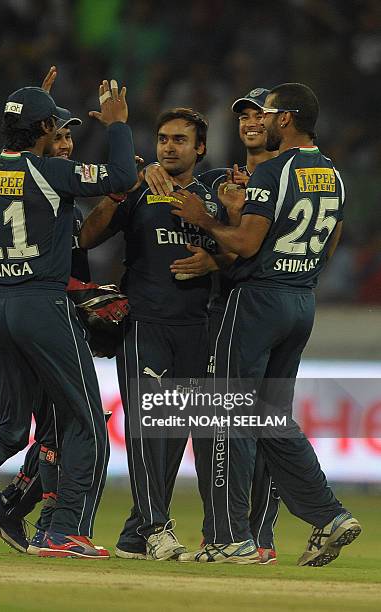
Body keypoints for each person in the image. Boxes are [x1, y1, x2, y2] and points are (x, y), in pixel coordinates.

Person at [0, 79, 138, 560]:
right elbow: (122, 175)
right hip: (41, 303)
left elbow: (14, 169)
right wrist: (118, 124)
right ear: (41, 129)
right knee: (87, 422)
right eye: (52, 123)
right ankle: (64, 531)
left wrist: (31, 105)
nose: (58, 130)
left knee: (11, 424)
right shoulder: (50, 173)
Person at [166, 82, 361, 566]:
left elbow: (247, 244)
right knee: (269, 417)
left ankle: (231, 538)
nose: (262, 121)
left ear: (286, 119)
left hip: (257, 300)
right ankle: (328, 514)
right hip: (301, 300)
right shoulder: (333, 175)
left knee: (230, 412)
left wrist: (207, 219)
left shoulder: (274, 170)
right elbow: (332, 237)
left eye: (269, 114)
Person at [79, 108, 222, 561]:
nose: (169, 146)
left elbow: (242, 251)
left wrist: (215, 260)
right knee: (147, 430)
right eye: (163, 138)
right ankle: (157, 527)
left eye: (180, 139)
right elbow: (87, 237)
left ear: (200, 148)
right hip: (145, 322)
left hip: (197, 326)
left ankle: (134, 537)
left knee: (174, 433)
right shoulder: (139, 188)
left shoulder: (213, 197)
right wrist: (119, 192)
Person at [146, 88, 280, 564]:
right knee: (216, 429)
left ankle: (252, 535)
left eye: (259, 115)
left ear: (281, 122)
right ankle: (224, 532)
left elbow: (245, 248)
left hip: (259, 312)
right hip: (218, 318)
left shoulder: (283, 179)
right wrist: (148, 171)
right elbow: (225, 244)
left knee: (254, 423)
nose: (250, 122)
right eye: (243, 115)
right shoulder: (221, 180)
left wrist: (218, 258)